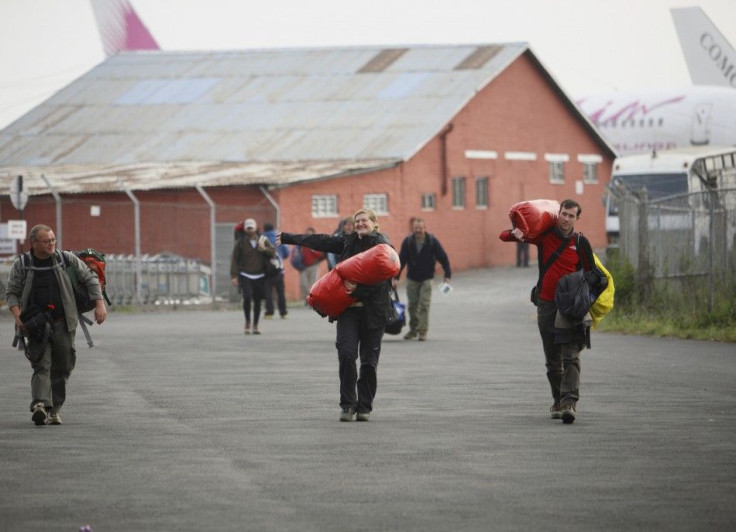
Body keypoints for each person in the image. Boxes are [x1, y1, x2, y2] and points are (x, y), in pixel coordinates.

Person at [277, 209, 397, 422]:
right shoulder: (347, 242)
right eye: (357, 221)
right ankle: (348, 405)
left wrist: (358, 290)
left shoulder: (382, 246)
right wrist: (288, 238)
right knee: (347, 354)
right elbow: (320, 241)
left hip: (374, 312)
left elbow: (382, 284)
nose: (360, 224)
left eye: (364, 221)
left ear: (375, 224)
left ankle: (365, 406)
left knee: (369, 362)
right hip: (348, 311)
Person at [499, 199, 596, 424]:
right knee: (552, 360)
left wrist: (585, 301)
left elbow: (593, 276)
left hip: (570, 307)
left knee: (570, 356)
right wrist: (518, 232)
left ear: (576, 219)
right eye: (564, 214)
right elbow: (503, 236)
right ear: (558, 213)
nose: (566, 219)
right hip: (546, 303)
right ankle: (558, 399)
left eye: (572, 216)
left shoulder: (581, 243)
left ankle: (570, 401)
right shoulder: (544, 237)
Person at [5, 224, 107, 426]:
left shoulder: (65, 259)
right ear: (33, 243)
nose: (52, 244)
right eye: (47, 241)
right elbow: (12, 292)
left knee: (63, 366)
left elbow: (90, 278)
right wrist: (18, 318)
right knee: (41, 365)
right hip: (35, 325)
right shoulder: (22, 264)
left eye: (53, 240)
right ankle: (40, 405)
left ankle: (54, 409)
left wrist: (99, 304)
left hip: (63, 322)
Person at [395, 218, 452, 341]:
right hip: (412, 279)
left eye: (420, 228)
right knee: (412, 306)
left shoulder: (432, 241)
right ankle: (413, 329)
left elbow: (443, 258)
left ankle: (422, 331)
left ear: (425, 228)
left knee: (424, 304)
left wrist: (447, 276)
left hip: (427, 278)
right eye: (416, 228)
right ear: (413, 228)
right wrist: (396, 278)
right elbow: (401, 260)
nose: (418, 230)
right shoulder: (408, 241)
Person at [231, 218, 275, 335]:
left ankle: (255, 325)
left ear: (256, 228)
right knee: (247, 298)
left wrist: (264, 249)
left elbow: (273, 252)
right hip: (245, 274)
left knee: (257, 301)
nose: (250, 230)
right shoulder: (240, 243)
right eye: (248, 228)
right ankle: (247, 322)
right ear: (245, 229)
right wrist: (234, 276)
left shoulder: (262, 239)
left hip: (260, 275)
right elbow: (234, 260)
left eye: (252, 227)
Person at [262, 222, 289, 319]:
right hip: (279, 270)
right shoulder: (279, 237)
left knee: (268, 292)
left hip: (266, 270)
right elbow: (286, 253)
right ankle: (283, 312)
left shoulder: (262, 238)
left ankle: (269, 312)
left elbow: (259, 253)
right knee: (280, 292)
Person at [296, 227, 325, 302]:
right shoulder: (302, 243)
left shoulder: (316, 243)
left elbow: (321, 255)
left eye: (310, 234)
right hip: (303, 267)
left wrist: (313, 251)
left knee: (313, 284)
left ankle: (312, 300)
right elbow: (297, 253)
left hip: (313, 266)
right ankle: (307, 299)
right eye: (307, 234)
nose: (308, 235)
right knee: (303, 284)